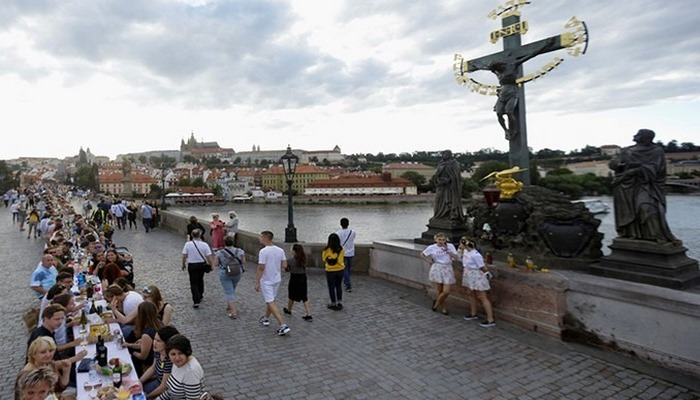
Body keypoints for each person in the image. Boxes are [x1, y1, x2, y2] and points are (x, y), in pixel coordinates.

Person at [468, 38, 555, 140]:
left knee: (509, 112)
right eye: (494, 71)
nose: (496, 72)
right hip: (502, 93)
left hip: (512, 91)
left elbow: (530, 55)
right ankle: (506, 130)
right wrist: (473, 64)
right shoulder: (495, 70)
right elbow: (482, 66)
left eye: (496, 70)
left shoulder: (512, 65)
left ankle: (513, 130)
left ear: (500, 66)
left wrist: (545, 46)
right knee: (499, 114)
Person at [609, 129, 681, 245]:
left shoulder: (656, 150)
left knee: (647, 207)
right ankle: (633, 234)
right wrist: (617, 164)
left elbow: (655, 168)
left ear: (645, 137)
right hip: (625, 185)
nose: (634, 135)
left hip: (646, 184)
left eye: (638, 134)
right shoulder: (627, 150)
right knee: (629, 211)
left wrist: (634, 171)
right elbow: (613, 163)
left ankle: (658, 235)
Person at [255, 231, 291, 336]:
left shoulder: (263, 252)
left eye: (261, 237)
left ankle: (283, 325)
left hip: (267, 280)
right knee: (271, 300)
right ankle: (266, 318)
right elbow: (284, 265)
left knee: (270, 301)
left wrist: (257, 282)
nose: (259, 238)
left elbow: (261, 268)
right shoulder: (280, 250)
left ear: (266, 238)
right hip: (276, 279)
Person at [21, 337, 86, 395]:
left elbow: (61, 386)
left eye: (51, 350)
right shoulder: (30, 374)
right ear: (33, 354)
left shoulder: (49, 363)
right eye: (43, 352)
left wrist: (66, 371)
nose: (48, 354)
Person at [459, 238, 495, 327]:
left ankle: (490, 319)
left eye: (461, 243)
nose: (459, 245)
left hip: (476, 274)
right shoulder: (466, 252)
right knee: (471, 294)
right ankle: (473, 313)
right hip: (468, 273)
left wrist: (487, 274)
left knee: (482, 296)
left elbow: (482, 267)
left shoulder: (476, 255)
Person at [419, 232, 458, 315]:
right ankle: (443, 307)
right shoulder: (432, 247)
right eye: (439, 239)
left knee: (446, 291)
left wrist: (447, 250)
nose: (441, 241)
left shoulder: (450, 246)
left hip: (447, 267)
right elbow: (422, 254)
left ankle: (436, 304)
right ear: (436, 240)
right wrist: (429, 261)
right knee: (439, 290)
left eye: (443, 240)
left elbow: (456, 257)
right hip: (438, 267)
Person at [155, 334, 204, 400]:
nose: (177, 358)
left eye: (180, 353)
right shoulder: (177, 364)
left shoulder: (191, 372)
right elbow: (170, 392)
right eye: (173, 354)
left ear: (187, 352)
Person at [140, 325, 180, 399]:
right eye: (154, 339)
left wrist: (147, 397)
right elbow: (153, 368)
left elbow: (163, 387)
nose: (154, 343)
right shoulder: (158, 351)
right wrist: (139, 381)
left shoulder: (169, 361)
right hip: (158, 381)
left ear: (167, 344)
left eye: (158, 341)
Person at [124, 302, 164, 375]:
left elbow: (143, 356)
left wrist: (131, 352)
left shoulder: (147, 334)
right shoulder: (159, 323)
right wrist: (129, 345)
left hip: (148, 363)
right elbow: (146, 345)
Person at [181, 229, 214, 308]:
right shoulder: (204, 245)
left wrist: (183, 264)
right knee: (200, 279)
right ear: (200, 235)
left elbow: (184, 256)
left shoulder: (188, 244)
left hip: (192, 265)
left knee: (193, 282)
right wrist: (211, 265)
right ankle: (200, 294)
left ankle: (196, 300)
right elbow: (209, 257)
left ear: (192, 235)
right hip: (201, 265)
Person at [430, 150, 465, 223]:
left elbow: (456, 175)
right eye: (443, 154)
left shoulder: (454, 164)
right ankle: (439, 215)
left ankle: (451, 215)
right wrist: (438, 180)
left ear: (450, 155)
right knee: (439, 199)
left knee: (449, 200)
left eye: (446, 154)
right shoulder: (440, 163)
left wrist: (449, 180)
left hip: (450, 187)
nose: (445, 155)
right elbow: (437, 174)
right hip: (441, 186)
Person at [214, 236, 245, 319]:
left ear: (224, 243)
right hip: (237, 272)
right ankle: (229, 305)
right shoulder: (240, 251)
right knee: (232, 289)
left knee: (229, 292)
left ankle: (233, 312)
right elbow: (243, 262)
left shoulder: (220, 252)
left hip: (225, 273)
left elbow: (216, 264)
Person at [283, 244, 313, 321]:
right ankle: (309, 314)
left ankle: (289, 310)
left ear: (294, 251)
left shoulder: (290, 260)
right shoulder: (304, 259)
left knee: (291, 295)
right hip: (303, 278)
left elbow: (286, 269)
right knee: (304, 297)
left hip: (294, 278)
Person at [323, 233, 345, 311]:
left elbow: (324, 259)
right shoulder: (341, 249)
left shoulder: (326, 249)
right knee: (338, 286)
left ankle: (333, 303)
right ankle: (339, 302)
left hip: (330, 270)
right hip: (340, 269)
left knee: (331, 287)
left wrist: (330, 258)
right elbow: (340, 260)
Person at [335, 217, 357, 292]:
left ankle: (348, 284)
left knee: (345, 269)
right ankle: (346, 281)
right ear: (348, 224)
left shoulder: (338, 233)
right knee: (348, 269)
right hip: (351, 253)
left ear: (341, 224)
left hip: (342, 254)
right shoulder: (352, 232)